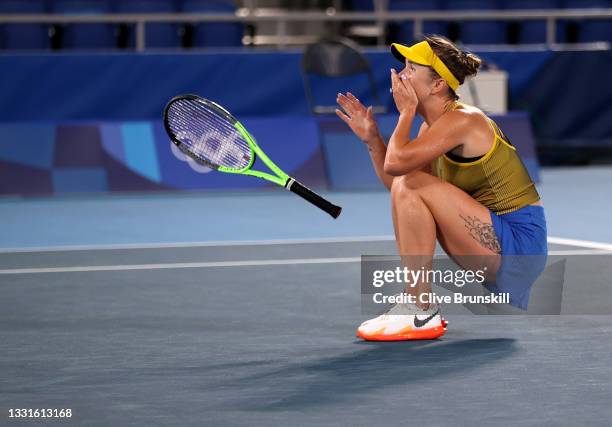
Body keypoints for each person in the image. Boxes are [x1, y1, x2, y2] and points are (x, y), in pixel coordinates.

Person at [336, 35, 547, 341]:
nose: (401, 75)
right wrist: (372, 141)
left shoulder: (465, 120)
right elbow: (401, 190)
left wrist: (405, 113)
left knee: (412, 181)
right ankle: (418, 306)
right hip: (493, 241)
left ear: (437, 85)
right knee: (409, 186)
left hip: (519, 244)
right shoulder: (431, 128)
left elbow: (399, 170)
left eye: (411, 68)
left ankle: (421, 309)